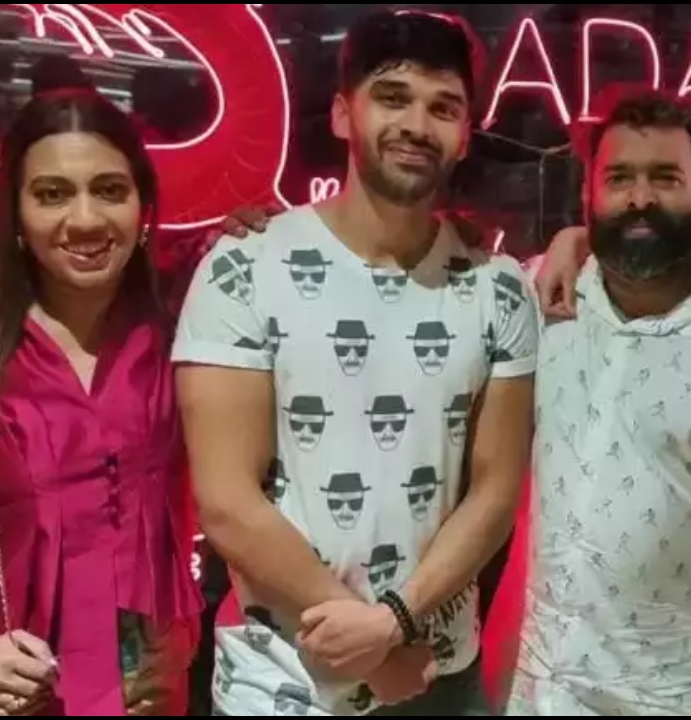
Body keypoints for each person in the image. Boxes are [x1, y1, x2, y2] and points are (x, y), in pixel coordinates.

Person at [172, 10, 538, 717]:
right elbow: (226, 502)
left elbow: (494, 494)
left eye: (443, 107)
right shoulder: (245, 267)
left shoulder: (497, 287)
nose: (417, 125)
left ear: (465, 134)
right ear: (344, 114)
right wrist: (375, 646)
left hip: (437, 676)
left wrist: (395, 621)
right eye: (392, 97)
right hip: (282, 683)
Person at [0, 90, 204, 716]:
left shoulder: (181, 317)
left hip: (146, 691)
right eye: (52, 194)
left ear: (143, 203)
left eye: (110, 190)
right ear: (15, 210)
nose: (85, 220)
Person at [506, 89, 691, 716]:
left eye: (665, 178)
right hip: (547, 690)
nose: (640, 197)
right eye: (619, 179)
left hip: (687, 696)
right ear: (589, 197)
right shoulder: (538, 296)